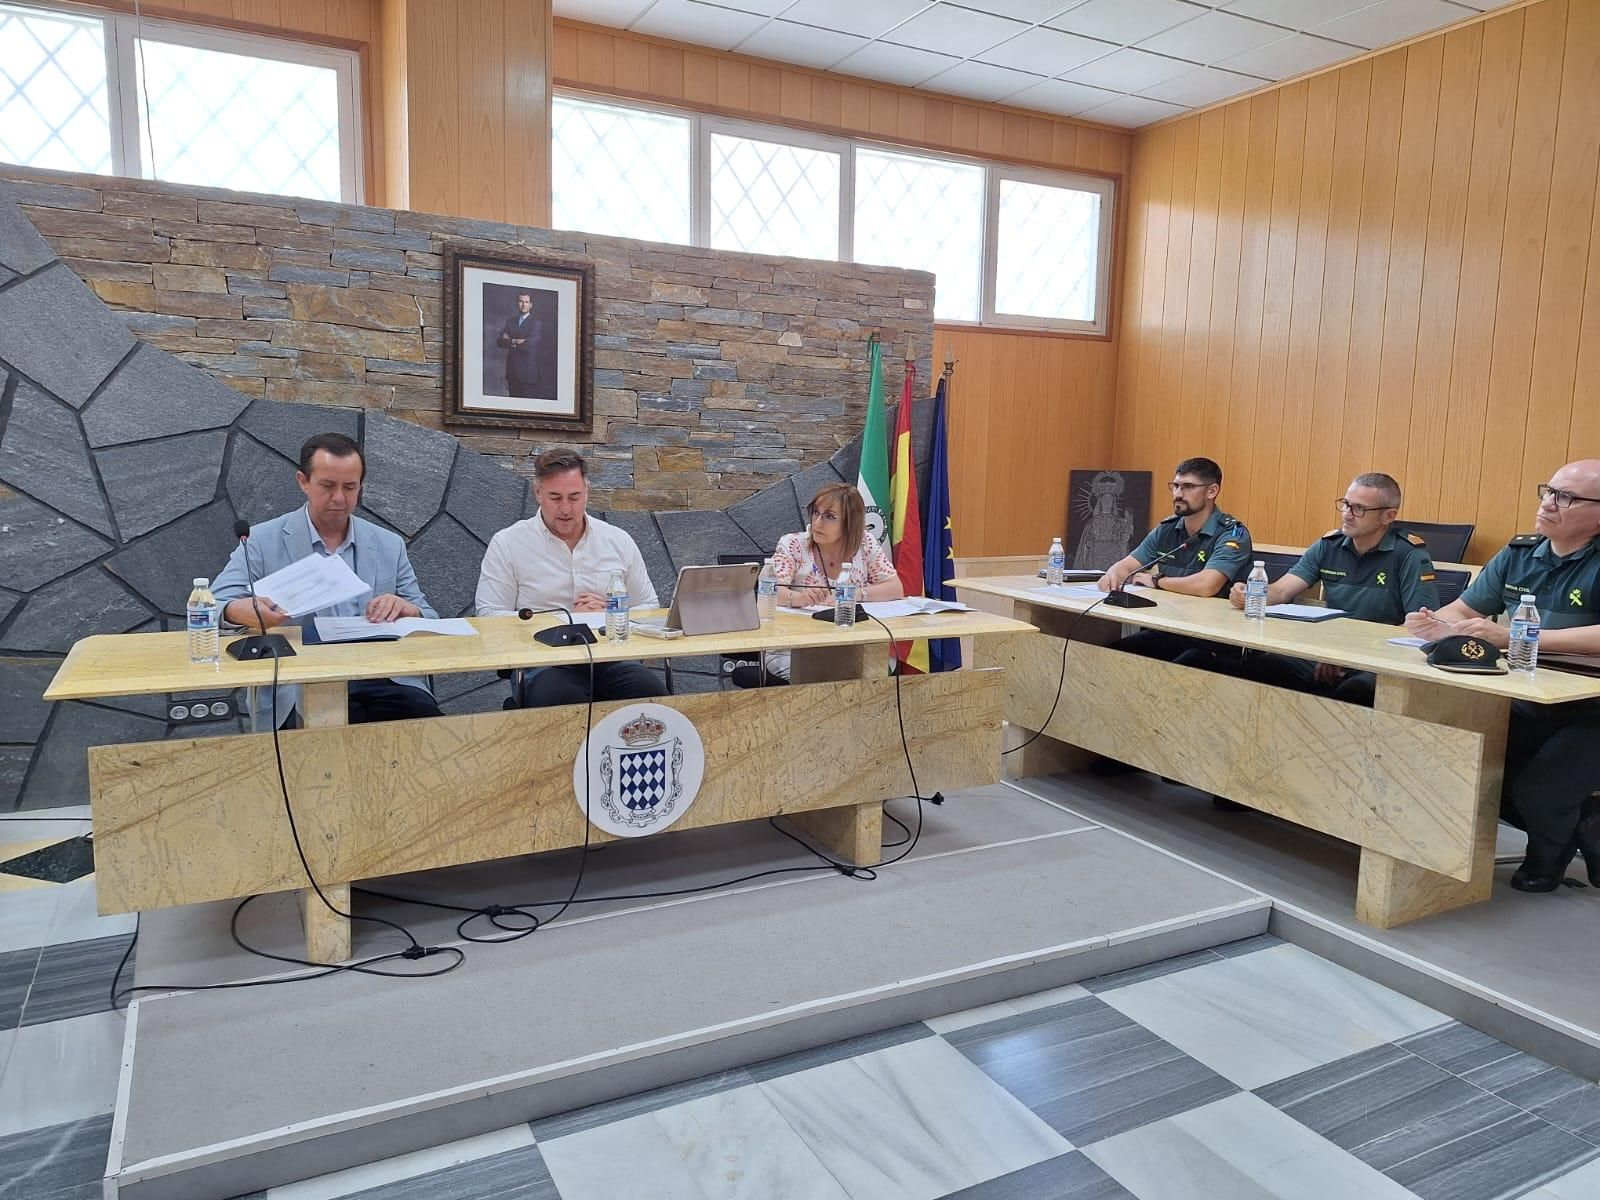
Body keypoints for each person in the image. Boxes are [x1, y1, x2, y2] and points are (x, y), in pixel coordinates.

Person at [1405, 460, 1600, 893]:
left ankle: (1549, 857)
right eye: (1548, 491)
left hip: (1592, 705)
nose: (1549, 503)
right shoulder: (1520, 553)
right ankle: (1579, 820)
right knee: (1477, 764)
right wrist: (1435, 624)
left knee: (1541, 789)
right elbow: (1463, 608)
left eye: (1566, 497)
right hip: (1532, 690)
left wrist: (1517, 636)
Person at [213, 432, 443, 728]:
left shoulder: (388, 544)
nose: (339, 498)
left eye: (350, 487)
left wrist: (411, 610)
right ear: (303, 482)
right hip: (299, 683)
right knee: (329, 735)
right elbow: (212, 607)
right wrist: (239, 611)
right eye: (327, 486)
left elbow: (431, 618)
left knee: (432, 733)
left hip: (384, 677)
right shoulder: (261, 540)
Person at [1224, 473, 1438, 705]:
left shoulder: (1409, 555)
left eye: (1359, 509)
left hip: (1380, 660)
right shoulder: (1329, 545)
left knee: (1355, 691)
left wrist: (1349, 657)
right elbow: (1283, 590)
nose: (1347, 514)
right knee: (1259, 668)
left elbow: (1418, 627)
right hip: (1331, 652)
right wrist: (1251, 593)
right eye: (1345, 504)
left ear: (1388, 516)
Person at [476, 447, 666, 706]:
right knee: (563, 700)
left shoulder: (617, 540)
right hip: (543, 662)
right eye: (555, 497)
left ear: (587, 492)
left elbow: (649, 606)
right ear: (538, 493)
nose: (566, 508)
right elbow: (488, 615)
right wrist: (565, 621)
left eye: (574, 497)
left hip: (611, 658)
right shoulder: (508, 543)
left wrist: (610, 612)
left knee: (650, 695)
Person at [741, 483, 905, 686]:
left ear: (849, 523)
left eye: (829, 516)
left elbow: (895, 588)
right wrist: (796, 598)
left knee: (874, 674)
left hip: (850, 646)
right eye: (815, 513)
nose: (817, 523)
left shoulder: (865, 543)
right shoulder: (793, 544)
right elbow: (770, 592)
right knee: (837, 679)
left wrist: (856, 594)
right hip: (794, 650)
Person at [1097, 457, 1253, 663]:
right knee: (1111, 656)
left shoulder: (1232, 534)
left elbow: (1206, 585)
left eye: (1188, 487)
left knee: (1182, 665)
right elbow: (1128, 565)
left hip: (1213, 639)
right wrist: (1113, 574)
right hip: (1168, 629)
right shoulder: (1168, 529)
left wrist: (1156, 581)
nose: (1178, 494)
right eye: (1176, 486)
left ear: (1212, 491)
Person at [496, 291, 544, 398]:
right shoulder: (510, 322)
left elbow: (529, 346)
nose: (523, 305)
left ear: (531, 305)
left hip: (527, 374)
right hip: (512, 372)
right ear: (517, 303)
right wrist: (515, 341)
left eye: (526, 302)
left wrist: (510, 341)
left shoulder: (536, 323)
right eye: (521, 301)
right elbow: (500, 342)